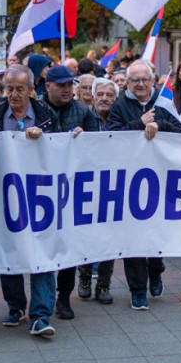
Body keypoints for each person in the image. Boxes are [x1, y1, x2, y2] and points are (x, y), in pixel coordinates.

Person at [0, 63, 61, 336]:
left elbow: (61, 150)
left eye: (19, 89)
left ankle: (40, 314)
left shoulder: (46, 115)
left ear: (31, 90)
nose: (12, 95)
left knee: (42, 252)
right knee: (10, 247)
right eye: (8, 89)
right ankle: (15, 307)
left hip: (41, 196)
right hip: (6, 196)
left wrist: (44, 137)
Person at [108, 60, 181, 310]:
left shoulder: (163, 103)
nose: (140, 84)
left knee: (155, 234)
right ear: (127, 83)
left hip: (160, 181)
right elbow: (110, 138)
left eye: (145, 80)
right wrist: (139, 124)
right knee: (133, 239)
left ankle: (156, 269)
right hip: (130, 183)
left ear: (153, 81)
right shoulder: (119, 106)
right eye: (135, 80)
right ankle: (137, 290)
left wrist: (159, 125)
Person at [40, 66, 101, 319]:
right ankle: (41, 298)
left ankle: (64, 297)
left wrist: (85, 138)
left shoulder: (83, 112)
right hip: (42, 188)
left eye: (70, 85)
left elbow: (99, 143)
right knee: (43, 244)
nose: (67, 89)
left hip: (72, 189)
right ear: (48, 86)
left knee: (68, 246)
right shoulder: (37, 110)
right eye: (62, 85)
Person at [76, 77, 118, 303]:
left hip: (113, 186)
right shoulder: (83, 117)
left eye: (109, 95)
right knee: (86, 234)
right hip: (87, 185)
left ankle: (104, 283)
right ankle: (83, 275)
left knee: (108, 237)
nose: (104, 98)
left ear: (115, 98)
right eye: (100, 94)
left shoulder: (120, 120)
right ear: (92, 96)